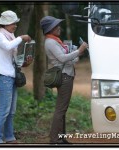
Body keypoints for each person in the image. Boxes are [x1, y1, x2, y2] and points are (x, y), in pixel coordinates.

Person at [40, 16, 88, 144]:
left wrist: (78, 53)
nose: (59, 28)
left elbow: (68, 60)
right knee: (61, 109)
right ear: (50, 29)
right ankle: (55, 140)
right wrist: (78, 51)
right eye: (56, 26)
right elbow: (62, 58)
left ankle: (61, 138)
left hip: (66, 74)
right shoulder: (50, 42)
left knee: (63, 109)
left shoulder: (56, 41)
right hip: (64, 76)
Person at [0, 10, 32, 143]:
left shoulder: (10, 36)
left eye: (15, 23)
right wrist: (21, 38)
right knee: (4, 110)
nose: (15, 25)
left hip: (11, 76)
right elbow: (7, 47)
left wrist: (24, 62)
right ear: (5, 24)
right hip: (3, 76)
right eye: (13, 23)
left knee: (11, 111)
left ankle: (9, 137)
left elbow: (12, 59)